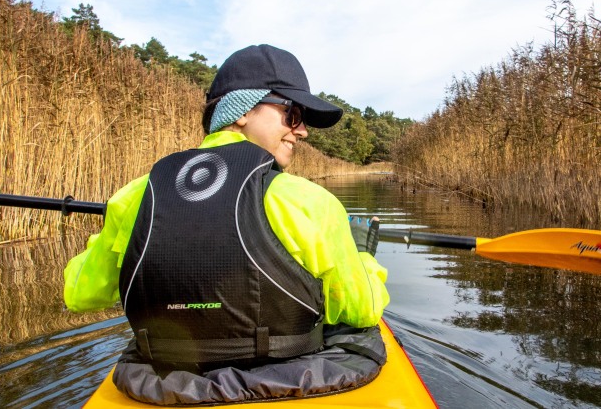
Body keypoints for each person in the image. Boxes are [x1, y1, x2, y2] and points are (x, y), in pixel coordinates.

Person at [63, 44, 390, 405]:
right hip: (289, 380)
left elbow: (81, 296)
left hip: (166, 384)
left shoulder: (132, 197)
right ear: (242, 110)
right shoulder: (310, 201)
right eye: (292, 114)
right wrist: (361, 254)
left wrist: (114, 230)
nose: (303, 131)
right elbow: (363, 309)